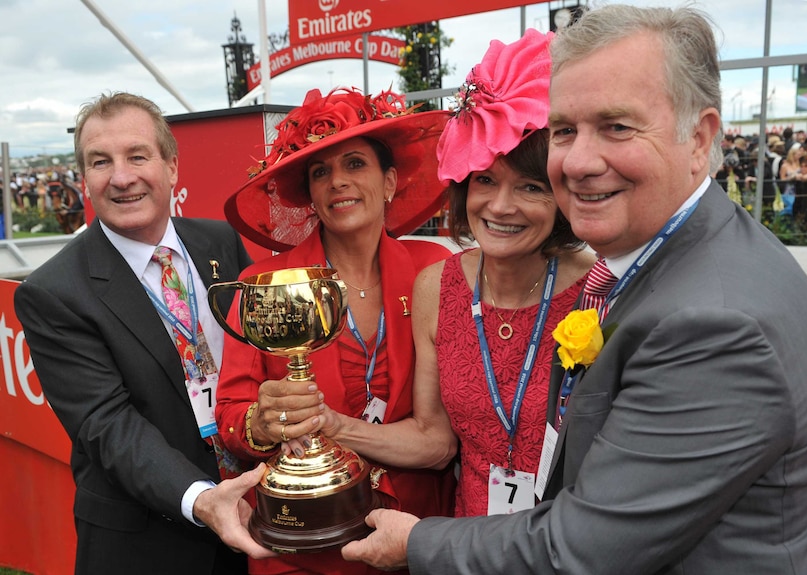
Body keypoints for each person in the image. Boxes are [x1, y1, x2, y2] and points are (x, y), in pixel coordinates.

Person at [340, 5, 807, 574]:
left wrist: (416, 545)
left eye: (617, 127)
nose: (579, 162)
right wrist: (730, 454)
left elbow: (581, 551)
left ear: (700, 138)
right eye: (564, 130)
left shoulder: (710, 322)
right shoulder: (675, 263)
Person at [282, 29, 595, 518]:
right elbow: (434, 439)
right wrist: (332, 424)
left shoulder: (598, 289)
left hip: (569, 539)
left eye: (531, 187)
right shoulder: (440, 285)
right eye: (485, 181)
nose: (501, 205)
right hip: (465, 545)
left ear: (562, 194)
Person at [13, 92, 274, 575]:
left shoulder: (219, 241)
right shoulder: (52, 293)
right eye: (100, 162)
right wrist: (203, 500)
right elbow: (108, 425)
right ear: (84, 179)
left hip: (257, 521)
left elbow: (257, 361)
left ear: (171, 167)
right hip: (148, 544)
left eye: (137, 156)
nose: (121, 177)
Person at [214, 87, 457, 575]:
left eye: (354, 164)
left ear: (389, 181)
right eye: (320, 172)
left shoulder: (436, 269)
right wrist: (264, 422)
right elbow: (231, 417)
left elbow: (456, 423)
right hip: (302, 540)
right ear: (309, 196)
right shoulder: (263, 285)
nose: (337, 182)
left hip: (413, 533)